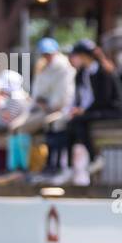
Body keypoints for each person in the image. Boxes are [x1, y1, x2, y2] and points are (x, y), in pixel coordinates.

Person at [65, 38, 122, 186]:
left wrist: (84, 111)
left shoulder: (104, 70)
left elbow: (104, 99)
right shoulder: (81, 73)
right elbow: (82, 96)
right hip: (93, 110)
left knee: (80, 120)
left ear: (84, 55)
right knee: (72, 124)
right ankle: (70, 166)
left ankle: (94, 159)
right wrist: (78, 109)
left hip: (112, 110)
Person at [31, 37, 75, 177]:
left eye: (49, 53)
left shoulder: (63, 67)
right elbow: (39, 91)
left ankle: (58, 165)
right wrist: (41, 102)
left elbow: (64, 94)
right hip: (46, 109)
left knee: (55, 125)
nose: (47, 56)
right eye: (45, 54)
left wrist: (52, 106)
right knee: (47, 130)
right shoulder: (43, 68)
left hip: (62, 109)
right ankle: (49, 164)